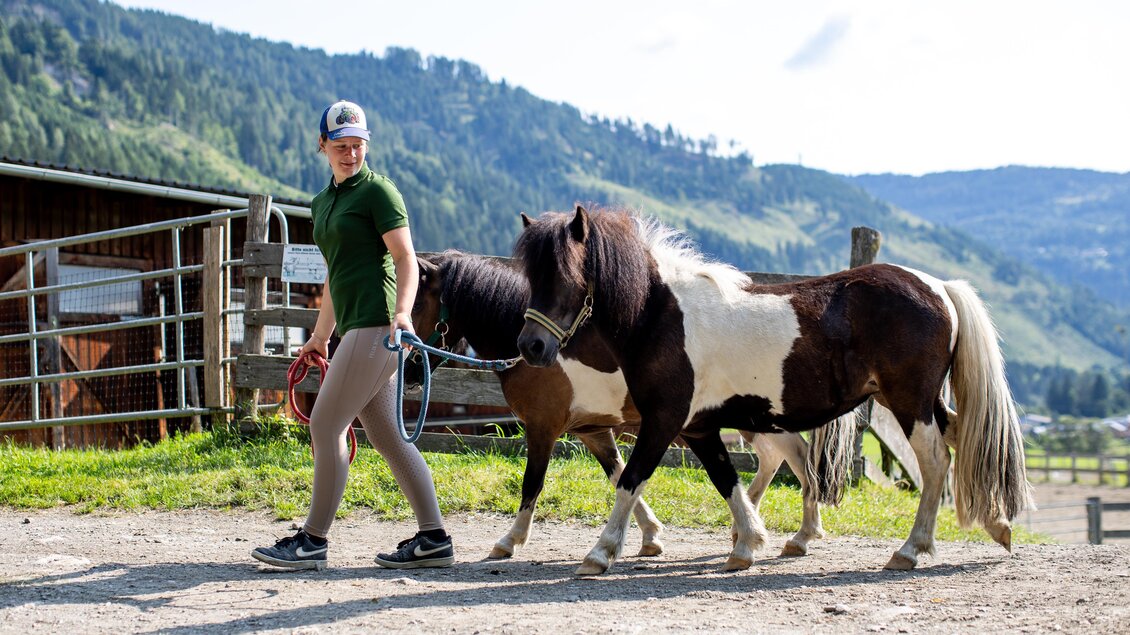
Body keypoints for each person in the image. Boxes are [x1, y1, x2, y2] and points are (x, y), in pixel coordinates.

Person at [252, 100, 453, 571]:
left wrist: (403, 313)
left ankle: (312, 540)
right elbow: (335, 275)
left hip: (378, 327)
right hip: (353, 329)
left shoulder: (379, 193)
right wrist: (321, 336)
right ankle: (434, 539)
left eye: (358, 145)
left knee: (325, 425)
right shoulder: (324, 203)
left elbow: (406, 259)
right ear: (322, 145)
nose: (350, 153)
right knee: (387, 438)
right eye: (341, 145)